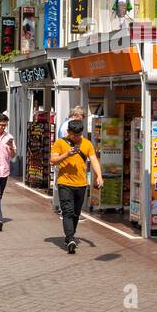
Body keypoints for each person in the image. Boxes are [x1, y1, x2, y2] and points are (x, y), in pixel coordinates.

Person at [50, 117, 102, 254]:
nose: (77, 137)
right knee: (67, 211)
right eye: (74, 135)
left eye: (79, 135)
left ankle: (69, 236)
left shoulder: (87, 144)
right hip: (64, 183)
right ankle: (71, 239)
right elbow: (52, 160)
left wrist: (99, 176)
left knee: (76, 213)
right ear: (68, 132)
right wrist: (66, 154)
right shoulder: (60, 143)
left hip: (81, 184)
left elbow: (94, 160)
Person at [53, 106, 86, 214]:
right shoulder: (68, 127)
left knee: (62, 187)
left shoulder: (64, 124)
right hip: (66, 162)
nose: (83, 119)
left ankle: (63, 208)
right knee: (66, 188)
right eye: (82, 116)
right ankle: (66, 211)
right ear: (76, 115)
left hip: (63, 160)